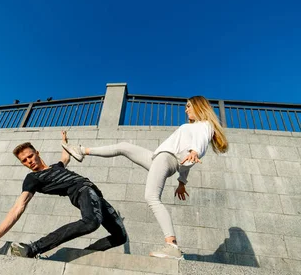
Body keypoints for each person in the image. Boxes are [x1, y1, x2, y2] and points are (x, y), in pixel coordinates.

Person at [62, 96, 228, 259]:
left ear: (199, 107)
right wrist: (181, 182)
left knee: (152, 197)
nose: (186, 109)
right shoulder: (193, 129)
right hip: (158, 159)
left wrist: (195, 151)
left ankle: (172, 245)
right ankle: (81, 150)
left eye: (189, 106)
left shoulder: (204, 126)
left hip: (165, 159)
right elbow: (185, 160)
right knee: (123, 147)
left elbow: (198, 142)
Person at [0, 131, 127, 258]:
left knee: (120, 237)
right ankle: (33, 248)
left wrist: (64, 142)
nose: (29, 161)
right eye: (24, 160)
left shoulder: (57, 167)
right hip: (82, 192)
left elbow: (65, 158)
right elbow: (19, 206)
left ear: (37, 153)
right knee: (91, 222)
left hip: (97, 197)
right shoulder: (33, 178)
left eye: (30, 156)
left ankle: (85, 253)